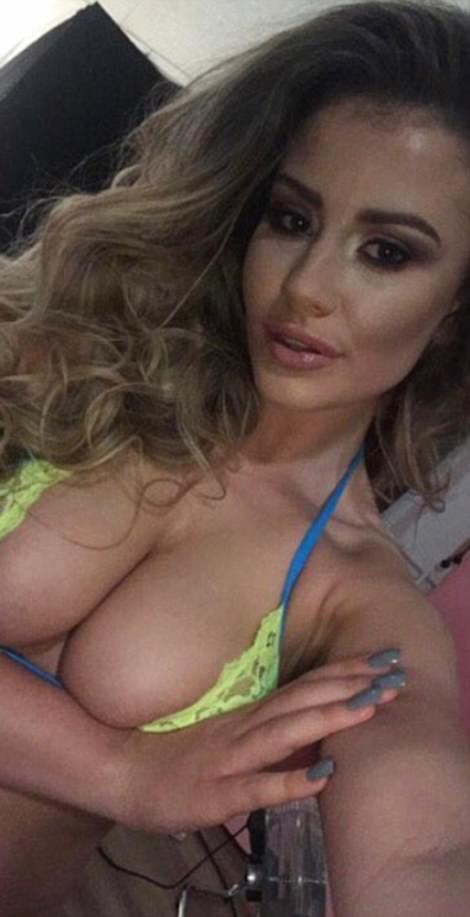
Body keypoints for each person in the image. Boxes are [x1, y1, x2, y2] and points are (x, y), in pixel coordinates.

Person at [1, 0, 470, 914]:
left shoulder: (352, 594)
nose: (305, 288)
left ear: (454, 307)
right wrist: (117, 767)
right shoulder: (81, 353)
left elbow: (426, 849)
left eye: (385, 251)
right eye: (292, 220)